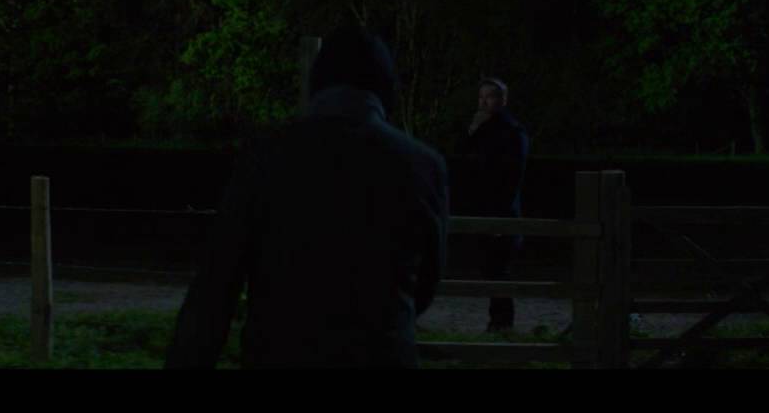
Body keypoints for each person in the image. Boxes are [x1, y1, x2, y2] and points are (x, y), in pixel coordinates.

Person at [165, 26, 449, 368]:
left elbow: (216, 285)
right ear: (385, 87)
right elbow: (426, 281)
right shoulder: (423, 165)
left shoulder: (266, 155)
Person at [464, 77, 529, 332]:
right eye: (481, 97)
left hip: (501, 210)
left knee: (498, 267)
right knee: (490, 267)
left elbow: (512, 176)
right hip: (484, 207)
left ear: (503, 100)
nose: (483, 103)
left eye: (489, 97)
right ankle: (499, 322)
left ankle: (501, 323)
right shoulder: (483, 129)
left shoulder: (513, 131)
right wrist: (472, 132)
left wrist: (501, 215)